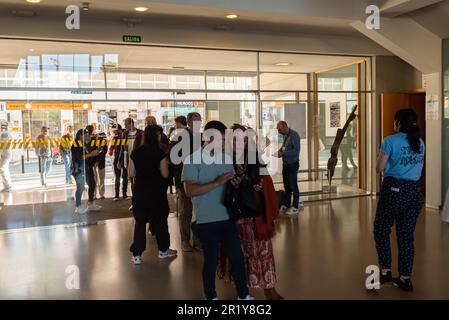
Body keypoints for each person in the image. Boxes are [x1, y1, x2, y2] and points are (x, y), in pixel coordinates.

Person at [183, 120, 254, 300]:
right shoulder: (192, 160)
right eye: (220, 141)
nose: (223, 144)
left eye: (224, 141)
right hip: (204, 220)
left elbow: (230, 187)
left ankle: (244, 295)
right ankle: (211, 296)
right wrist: (218, 181)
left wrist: (236, 183)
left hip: (227, 217)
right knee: (211, 260)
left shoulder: (227, 158)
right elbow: (190, 190)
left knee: (237, 258)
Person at [374, 109, 425, 292]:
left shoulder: (390, 140)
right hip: (414, 193)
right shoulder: (419, 141)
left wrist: (387, 162)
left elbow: (378, 168)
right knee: (405, 235)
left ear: (398, 122)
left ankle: (386, 271)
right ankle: (405, 278)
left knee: (381, 229)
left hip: (394, 190)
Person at [129, 125, 177, 264]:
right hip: (157, 193)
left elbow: (131, 173)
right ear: (156, 136)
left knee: (140, 223)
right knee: (161, 222)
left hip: (140, 193)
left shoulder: (136, 153)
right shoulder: (160, 153)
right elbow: (165, 174)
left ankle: (137, 255)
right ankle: (163, 250)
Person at [169, 115, 200, 252]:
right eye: (195, 120)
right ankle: (185, 240)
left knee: (199, 212)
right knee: (185, 211)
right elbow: (172, 158)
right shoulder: (180, 137)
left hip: (200, 180)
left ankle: (198, 240)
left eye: (199, 120)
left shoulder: (201, 137)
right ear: (188, 123)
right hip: (185, 180)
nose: (198, 123)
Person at [275, 121, 303, 214]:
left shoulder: (294, 135)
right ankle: (287, 204)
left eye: (279, 129)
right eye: (278, 130)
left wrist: (283, 153)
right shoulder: (286, 136)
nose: (279, 131)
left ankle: (295, 206)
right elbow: (284, 147)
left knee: (293, 185)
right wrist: (279, 151)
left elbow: (296, 151)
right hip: (286, 164)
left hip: (292, 164)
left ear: (285, 126)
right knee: (287, 186)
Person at [121, 118, 144, 210]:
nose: (125, 126)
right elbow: (123, 149)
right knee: (132, 182)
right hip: (129, 160)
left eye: (126, 124)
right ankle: (135, 203)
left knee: (140, 181)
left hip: (139, 160)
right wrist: (120, 160)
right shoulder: (125, 134)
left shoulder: (140, 133)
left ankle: (141, 201)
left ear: (131, 124)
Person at [83, 125, 102, 212]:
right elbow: (86, 154)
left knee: (92, 184)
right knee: (91, 184)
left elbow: (97, 150)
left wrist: (96, 157)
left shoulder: (92, 140)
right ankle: (89, 203)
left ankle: (90, 202)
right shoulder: (82, 143)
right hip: (85, 166)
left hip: (89, 165)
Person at [108, 124, 128, 201]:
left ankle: (117, 195)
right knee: (123, 176)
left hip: (120, 158)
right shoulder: (123, 136)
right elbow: (110, 150)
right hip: (123, 158)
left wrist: (110, 151)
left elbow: (110, 151)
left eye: (114, 130)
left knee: (119, 177)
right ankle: (124, 195)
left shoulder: (117, 137)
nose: (114, 132)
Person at [92, 132, 107, 200]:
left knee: (101, 179)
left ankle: (101, 194)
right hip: (94, 163)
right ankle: (95, 194)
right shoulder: (93, 142)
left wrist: (97, 160)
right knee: (95, 179)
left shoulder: (104, 143)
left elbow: (103, 152)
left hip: (101, 163)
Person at [0, 122, 12, 192]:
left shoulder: (5, 134)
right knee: (5, 169)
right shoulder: (6, 133)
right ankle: (7, 185)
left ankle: (7, 186)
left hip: (5, 154)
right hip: (5, 154)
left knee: (2, 169)